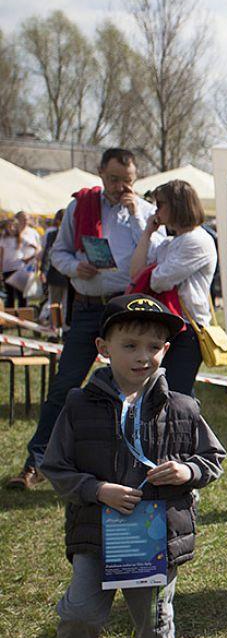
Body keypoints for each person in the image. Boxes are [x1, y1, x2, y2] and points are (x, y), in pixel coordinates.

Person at [35, 294, 226, 638]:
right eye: (131, 345)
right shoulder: (79, 406)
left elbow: (213, 457)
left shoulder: (182, 406)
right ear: (103, 346)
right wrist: (96, 490)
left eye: (154, 346)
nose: (143, 356)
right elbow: (55, 466)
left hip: (154, 539)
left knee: (155, 621)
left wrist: (188, 471)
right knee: (79, 612)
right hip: (96, 535)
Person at [7, 148, 161, 492]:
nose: (121, 186)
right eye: (114, 179)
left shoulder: (147, 212)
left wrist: (138, 216)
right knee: (65, 386)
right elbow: (58, 254)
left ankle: (134, 463)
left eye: (128, 180)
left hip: (128, 309)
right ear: (100, 173)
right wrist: (76, 267)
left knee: (134, 388)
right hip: (89, 306)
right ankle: (37, 462)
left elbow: (154, 257)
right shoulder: (80, 206)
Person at [129, 180, 217, 397]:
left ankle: (189, 432)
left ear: (176, 205)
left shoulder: (198, 241)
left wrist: (152, 271)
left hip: (188, 330)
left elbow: (159, 281)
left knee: (176, 396)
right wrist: (148, 232)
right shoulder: (170, 242)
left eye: (160, 204)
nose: (155, 210)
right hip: (168, 325)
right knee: (162, 395)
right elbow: (136, 272)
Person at [1, 211, 41, 308]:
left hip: (19, 269)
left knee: (21, 296)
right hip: (7, 270)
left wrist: (29, 258)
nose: (11, 228)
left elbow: (37, 248)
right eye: (9, 226)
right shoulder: (3, 238)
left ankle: (23, 318)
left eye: (13, 226)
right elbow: (1, 255)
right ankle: (10, 320)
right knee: (10, 296)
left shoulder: (20, 238)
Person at [40, 209, 70, 316]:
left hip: (69, 276)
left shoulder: (73, 234)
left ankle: (65, 328)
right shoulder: (52, 235)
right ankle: (54, 328)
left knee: (67, 305)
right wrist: (43, 271)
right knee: (54, 304)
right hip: (55, 274)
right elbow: (47, 254)